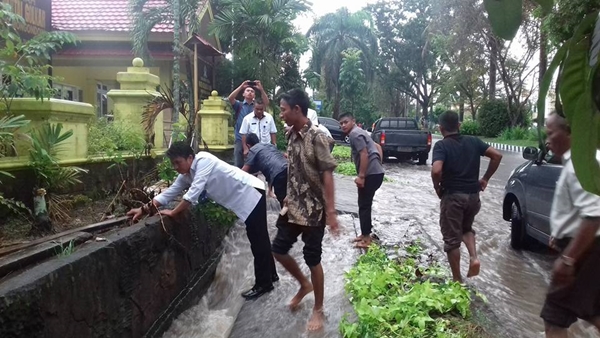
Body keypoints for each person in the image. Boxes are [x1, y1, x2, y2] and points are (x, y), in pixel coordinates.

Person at [126, 141, 278, 300]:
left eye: (178, 162)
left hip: (251, 192)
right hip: (245, 198)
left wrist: (173, 212)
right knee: (260, 239)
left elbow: (192, 194)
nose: (176, 167)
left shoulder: (203, 160)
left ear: (190, 157)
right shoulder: (186, 176)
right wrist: (142, 210)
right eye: (173, 164)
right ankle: (271, 275)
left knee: (258, 240)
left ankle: (264, 283)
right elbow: (168, 194)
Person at [271, 88, 338, 331]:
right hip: (293, 207)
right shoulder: (291, 135)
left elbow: (328, 175)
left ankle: (318, 308)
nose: (282, 115)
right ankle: (303, 284)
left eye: (284, 110)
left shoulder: (317, 137)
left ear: (297, 109)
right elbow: (294, 167)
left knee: (312, 258)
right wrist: (287, 196)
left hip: (314, 210)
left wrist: (331, 213)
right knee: (277, 249)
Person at [540, 112, 600, 338]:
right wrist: (559, 233)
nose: (547, 140)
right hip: (590, 249)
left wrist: (568, 259)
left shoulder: (578, 164)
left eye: (551, 133)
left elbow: (594, 216)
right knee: (592, 309)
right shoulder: (587, 158)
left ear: (570, 132)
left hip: (587, 251)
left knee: (554, 317)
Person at [431, 110, 502, 282]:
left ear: (440, 129)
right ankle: (474, 257)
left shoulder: (442, 146)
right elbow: (497, 156)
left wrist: (437, 188)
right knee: (466, 229)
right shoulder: (473, 141)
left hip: (453, 197)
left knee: (451, 241)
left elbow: (436, 170)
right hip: (473, 197)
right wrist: (485, 178)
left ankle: (457, 280)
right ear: (459, 126)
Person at [339, 112, 385, 249]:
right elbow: (378, 147)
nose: (343, 125)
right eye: (341, 123)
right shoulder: (360, 132)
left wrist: (362, 176)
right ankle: (365, 234)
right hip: (376, 173)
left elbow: (364, 153)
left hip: (370, 175)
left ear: (353, 121)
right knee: (364, 204)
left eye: (345, 122)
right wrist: (378, 165)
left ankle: (366, 239)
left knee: (364, 205)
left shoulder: (354, 134)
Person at [228, 80, 270, 168]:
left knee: (253, 165)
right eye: (247, 91)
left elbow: (266, 103)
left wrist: (261, 89)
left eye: (252, 91)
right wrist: (241, 86)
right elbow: (230, 98)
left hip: (253, 141)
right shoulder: (239, 105)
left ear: (254, 95)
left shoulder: (256, 107)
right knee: (238, 164)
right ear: (243, 94)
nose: (250, 92)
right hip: (240, 138)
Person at [242, 133, 288, 208]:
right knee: (291, 196)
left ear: (248, 145)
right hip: (287, 168)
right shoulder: (268, 145)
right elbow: (271, 168)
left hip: (278, 174)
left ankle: (286, 218)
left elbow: (244, 171)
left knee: (283, 200)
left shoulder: (253, 150)